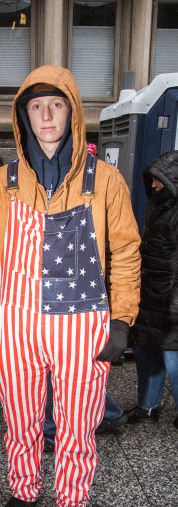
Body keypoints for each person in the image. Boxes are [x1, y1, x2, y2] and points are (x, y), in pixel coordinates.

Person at [0, 66, 141, 507]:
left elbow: (127, 253)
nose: (47, 115)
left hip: (82, 325)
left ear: (72, 112)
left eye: (57, 104)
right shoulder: (4, 183)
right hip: (19, 326)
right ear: (24, 117)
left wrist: (122, 321)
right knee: (20, 420)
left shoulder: (106, 180)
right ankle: (24, 492)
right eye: (36, 106)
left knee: (77, 424)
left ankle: (71, 498)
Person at [126, 150, 178, 427]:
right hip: (150, 295)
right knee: (148, 353)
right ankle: (147, 406)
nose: (154, 185)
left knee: (173, 360)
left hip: (171, 300)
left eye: (159, 180)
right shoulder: (160, 205)